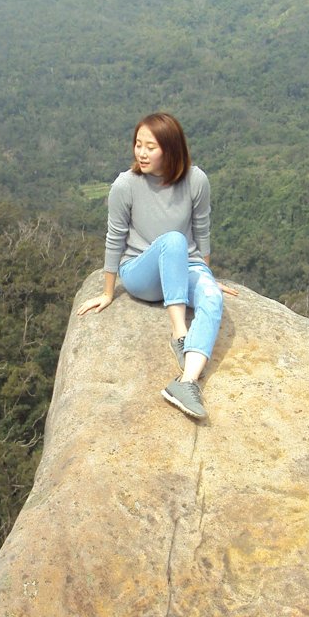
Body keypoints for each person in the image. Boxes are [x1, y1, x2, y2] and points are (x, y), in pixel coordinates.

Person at [77, 112, 236, 421]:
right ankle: (179, 331)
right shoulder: (125, 185)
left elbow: (202, 231)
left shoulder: (195, 180)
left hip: (184, 265)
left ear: (171, 148)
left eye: (151, 146)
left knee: (212, 298)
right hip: (141, 273)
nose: (142, 152)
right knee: (174, 240)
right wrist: (108, 292)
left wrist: (206, 276)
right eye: (138, 144)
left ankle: (186, 382)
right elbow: (115, 238)